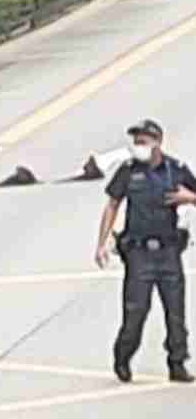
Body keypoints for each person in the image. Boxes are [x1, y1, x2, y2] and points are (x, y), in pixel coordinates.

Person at [95, 119, 196, 384]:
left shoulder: (176, 170)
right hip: (139, 254)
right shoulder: (128, 171)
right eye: (136, 141)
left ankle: (177, 362)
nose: (138, 145)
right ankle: (123, 356)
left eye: (143, 141)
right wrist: (101, 243)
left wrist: (190, 198)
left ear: (158, 142)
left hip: (168, 252)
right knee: (136, 312)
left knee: (176, 313)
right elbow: (112, 204)